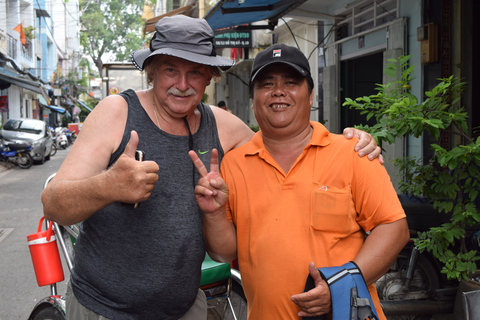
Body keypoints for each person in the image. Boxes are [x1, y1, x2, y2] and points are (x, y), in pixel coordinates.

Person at [41, 15, 381, 320]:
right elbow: (53, 203)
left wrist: (352, 140)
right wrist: (108, 186)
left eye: (195, 72)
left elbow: (287, 139)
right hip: (104, 309)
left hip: (186, 308)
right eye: (171, 69)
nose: (183, 83)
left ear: (209, 78)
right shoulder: (117, 112)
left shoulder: (222, 126)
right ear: (153, 71)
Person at [190, 43, 410, 320]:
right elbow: (225, 252)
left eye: (291, 82)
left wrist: (339, 285)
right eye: (266, 84)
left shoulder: (351, 153)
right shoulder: (233, 164)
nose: (278, 91)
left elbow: (394, 227)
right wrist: (214, 213)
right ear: (253, 99)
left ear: (311, 95)